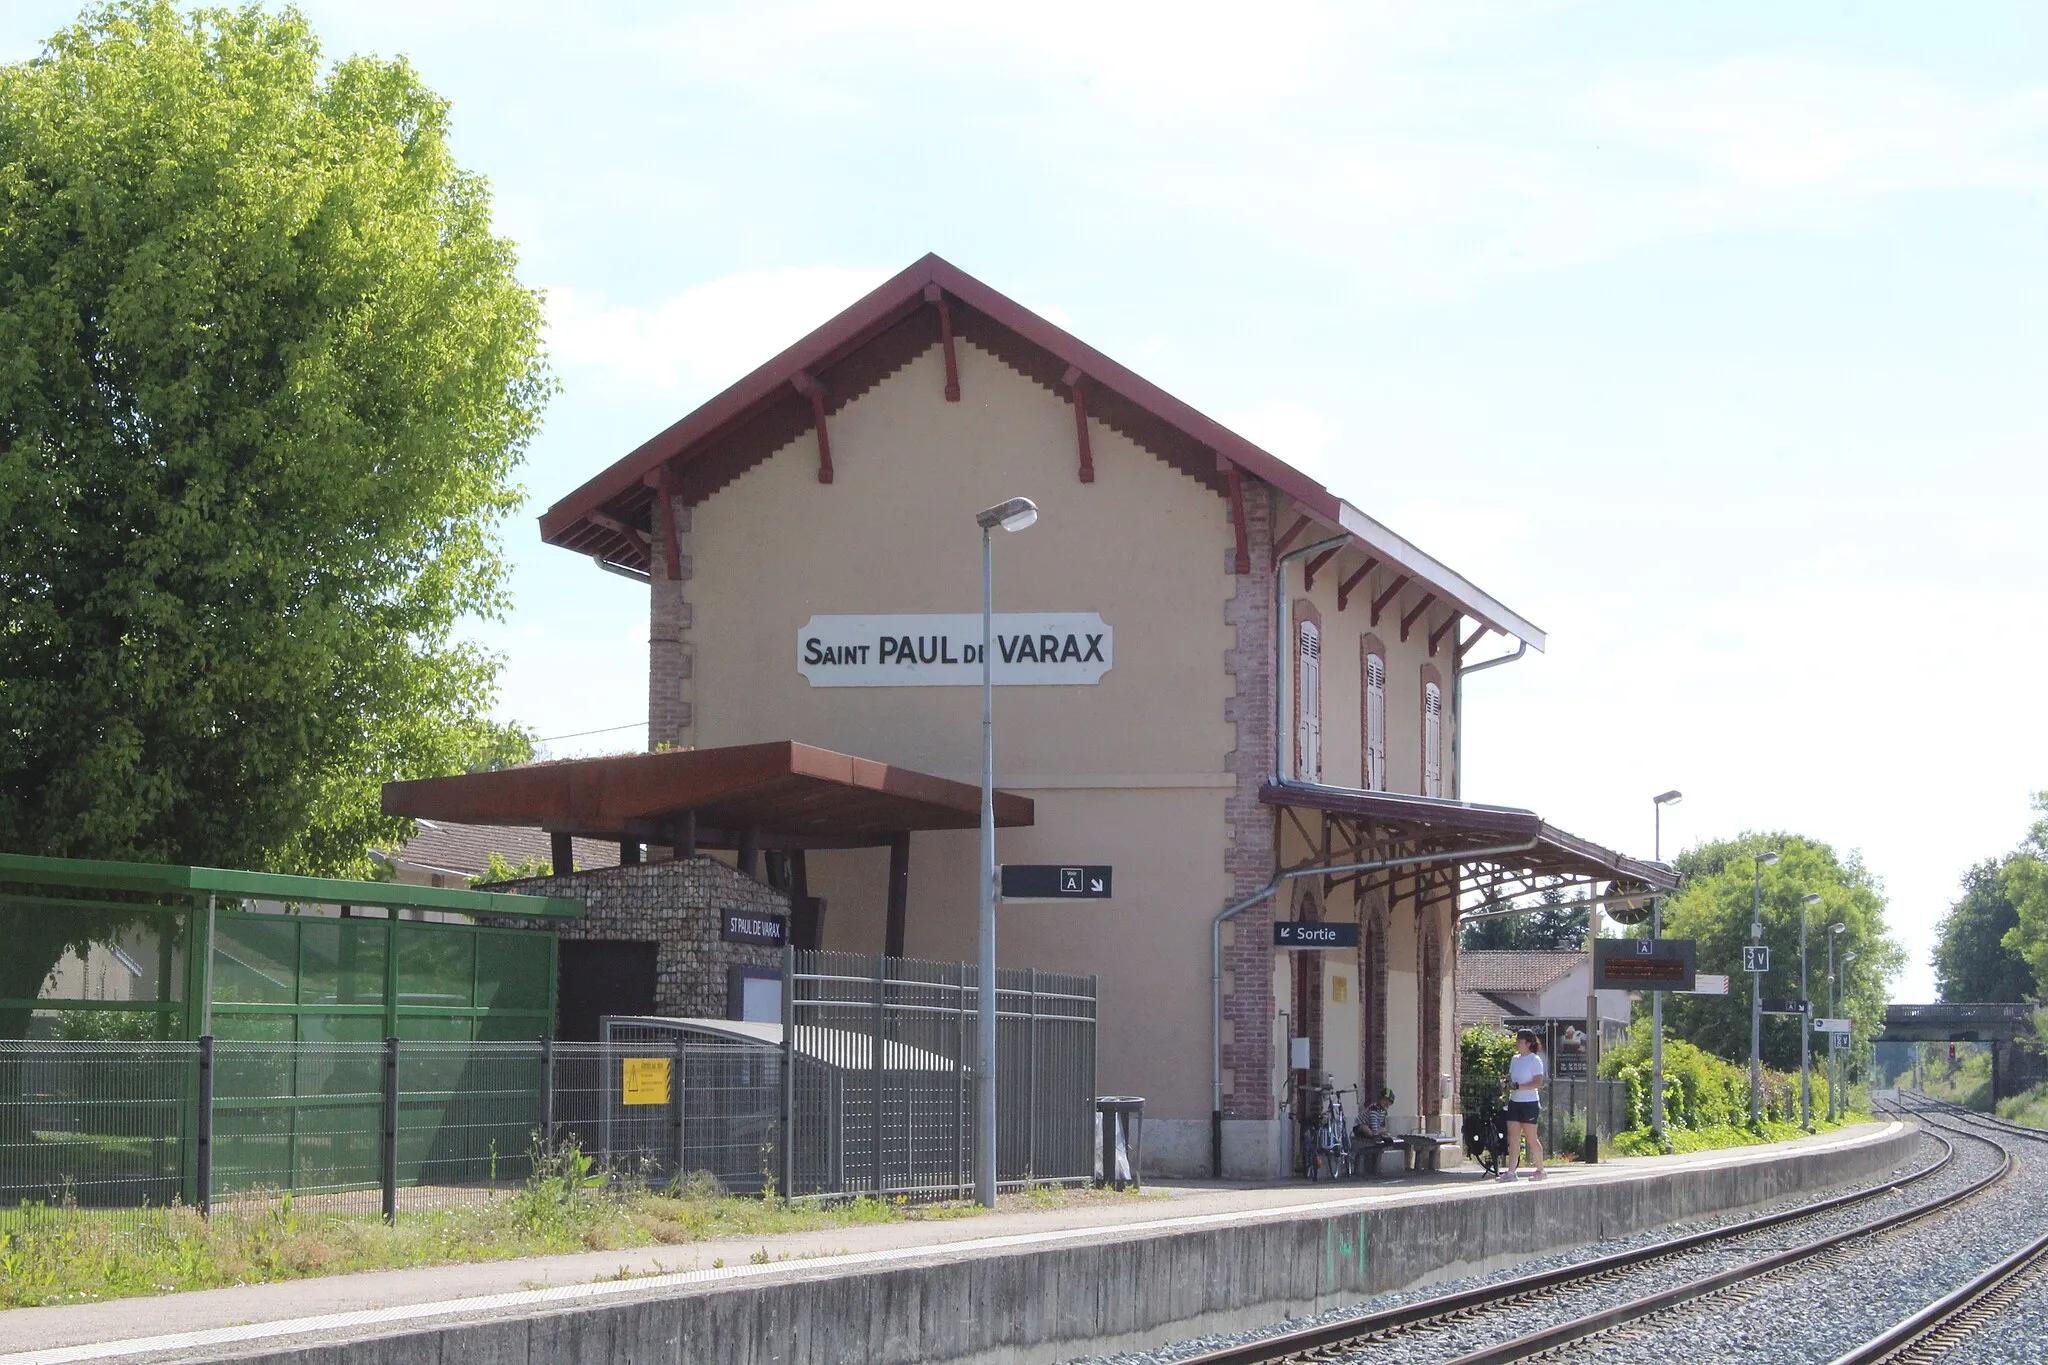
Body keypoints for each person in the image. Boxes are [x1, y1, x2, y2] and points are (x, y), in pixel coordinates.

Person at [1500, 1028, 1547, 1182]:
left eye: (1520, 1042)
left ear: (1528, 1044)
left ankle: (1541, 1170)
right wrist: (1506, 1082)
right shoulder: (1515, 1059)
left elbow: (1538, 1082)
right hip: (1515, 1102)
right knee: (1513, 1136)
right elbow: (1511, 1076)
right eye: (1517, 1042)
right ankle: (1512, 1171)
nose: (1517, 1045)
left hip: (1529, 1103)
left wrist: (1520, 1086)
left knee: (1531, 1137)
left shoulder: (1535, 1060)